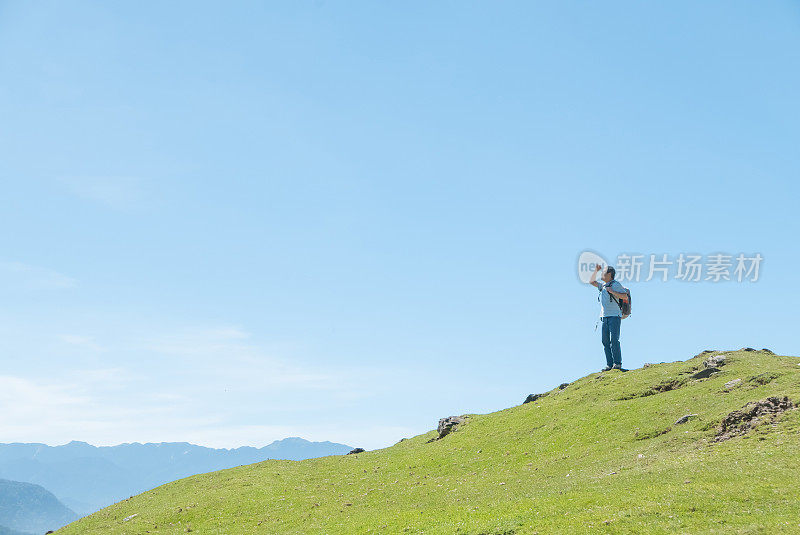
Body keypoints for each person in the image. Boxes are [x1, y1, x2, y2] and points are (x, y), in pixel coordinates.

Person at [588, 264, 627, 371]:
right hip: (604, 317)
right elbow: (591, 282)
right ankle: (609, 365)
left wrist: (612, 291)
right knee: (605, 341)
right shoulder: (603, 286)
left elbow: (624, 296)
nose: (602, 274)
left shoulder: (615, 284)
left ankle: (617, 363)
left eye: (603, 272)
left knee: (614, 340)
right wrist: (596, 270)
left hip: (615, 316)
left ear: (609, 274)